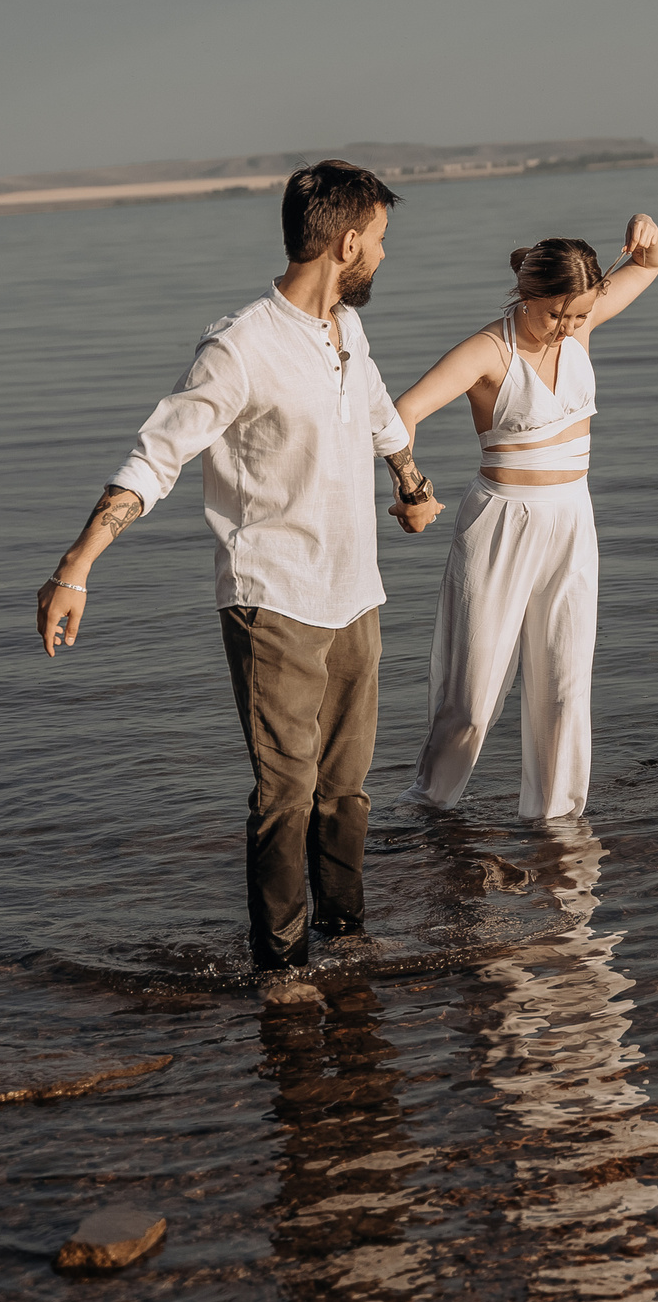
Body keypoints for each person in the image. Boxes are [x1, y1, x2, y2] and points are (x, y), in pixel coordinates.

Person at [34, 161, 445, 973]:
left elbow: (375, 410)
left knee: (346, 789)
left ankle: (348, 938)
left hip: (354, 595)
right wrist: (75, 567)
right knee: (286, 795)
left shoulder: (345, 331)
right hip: (274, 602)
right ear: (347, 243)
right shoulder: (241, 346)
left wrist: (412, 484)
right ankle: (281, 966)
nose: (384, 255)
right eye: (379, 240)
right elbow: (157, 457)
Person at [390, 215, 658, 820]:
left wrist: (646, 232)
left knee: (565, 686)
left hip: (571, 520)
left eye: (579, 315)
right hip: (501, 525)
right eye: (556, 315)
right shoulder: (489, 351)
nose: (568, 327)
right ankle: (430, 808)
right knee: (472, 696)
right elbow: (401, 412)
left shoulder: (580, 326)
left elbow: (650, 263)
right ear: (526, 294)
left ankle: (556, 822)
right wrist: (411, 491)